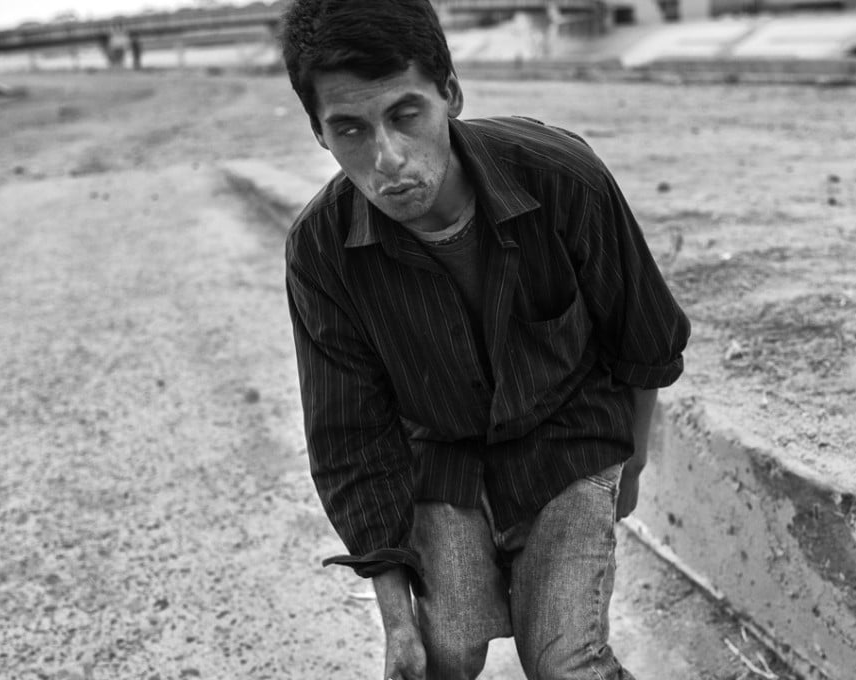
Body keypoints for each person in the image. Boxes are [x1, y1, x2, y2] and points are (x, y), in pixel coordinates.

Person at [279, 1, 690, 678]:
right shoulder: (321, 252)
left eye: (406, 114)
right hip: (441, 458)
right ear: (320, 133)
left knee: (566, 660)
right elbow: (350, 437)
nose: (388, 159)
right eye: (349, 129)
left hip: (570, 436)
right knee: (442, 656)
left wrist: (633, 468)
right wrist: (396, 624)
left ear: (450, 93)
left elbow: (644, 336)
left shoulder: (562, 178)